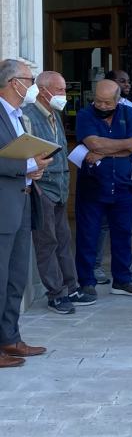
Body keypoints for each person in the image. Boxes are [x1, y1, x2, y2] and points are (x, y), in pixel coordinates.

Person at [22, 72, 95, 314]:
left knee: (63, 239)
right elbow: (28, 153)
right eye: (61, 90)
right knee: (47, 242)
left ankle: (71, 287)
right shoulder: (28, 116)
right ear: (44, 91)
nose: (64, 95)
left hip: (60, 186)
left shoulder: (54, 114)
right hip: (43, 187)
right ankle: (55, 293)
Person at [0, 59, 52, 367]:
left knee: (16, 277)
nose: (31, 84)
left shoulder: (20, 116)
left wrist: (35, 166)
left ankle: (10, 338)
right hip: (3, 207)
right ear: (11, 82)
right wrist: (28, 166)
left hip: (21, 202)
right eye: (28, 79)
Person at [75, 79, 132, 298]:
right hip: (93, 186)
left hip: (124, 185)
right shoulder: (85, 115)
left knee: (123, 234)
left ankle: (122, 280)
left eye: (107, 102)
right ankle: (87, 282)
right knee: (88, 235)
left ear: (117, 99)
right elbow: (93, 144)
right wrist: (122, 145)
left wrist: (104, 150)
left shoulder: (128, 113)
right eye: (98, 101)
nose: (102, 106)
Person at [94, 69, 132, 283]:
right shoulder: (94, 112)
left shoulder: (129, 107)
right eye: (122, 81)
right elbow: (94, 144)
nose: (127, 85)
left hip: (131, 173)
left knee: (127, 224)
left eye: (128, 81)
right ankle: (95, 267)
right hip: (104, 175)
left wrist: (119, 149)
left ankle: (125, 266)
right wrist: (123, 147)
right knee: (103, 224)